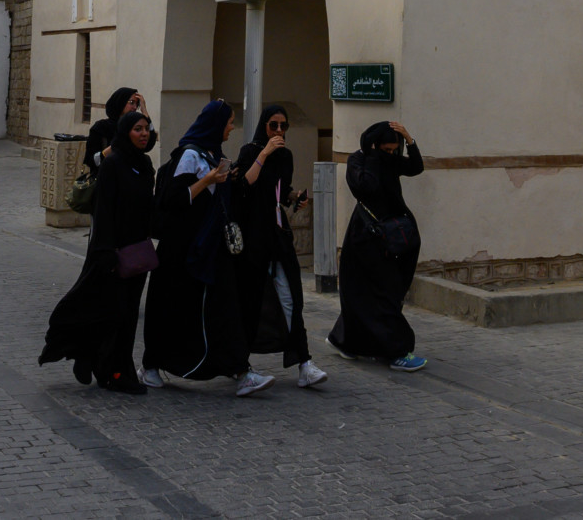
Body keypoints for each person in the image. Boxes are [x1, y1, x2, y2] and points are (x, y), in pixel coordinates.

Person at [141, 100, 272, 397]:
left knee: (224, 308)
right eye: (229, 122)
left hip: (211, 249)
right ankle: (151, 365)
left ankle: (240, 370)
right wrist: (209, 179)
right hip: (183, 250)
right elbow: (175, 199)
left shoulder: (215, 154)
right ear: (215, 124)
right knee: (170, 308)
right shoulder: (190, 155)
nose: (231, 128)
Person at [40, 109, 157, 393]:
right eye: (137, 129)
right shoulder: (113, 164)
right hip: (112, 253)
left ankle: (104, 364)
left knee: (127, 316)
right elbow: (103, 210)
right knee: (108, 311)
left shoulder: (144, 164)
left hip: (136, 253)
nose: (143, 134)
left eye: (146, 129)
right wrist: (106, 251)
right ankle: (111, 370)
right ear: (125, 132)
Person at [234, 105, 325, 388]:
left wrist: (295, 196)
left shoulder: (286, 156)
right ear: (264, 126)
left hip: (277, 234)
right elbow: (244, 187)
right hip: (253, 236)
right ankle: (240, 366)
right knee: (248, 301)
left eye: (283, 126)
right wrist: (264, 154)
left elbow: (280, 190)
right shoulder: (250, 152)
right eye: (273, 125)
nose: (278, 131)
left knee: (291, 297)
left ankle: (304, 363)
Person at [329, 120, 427, 371]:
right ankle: (396, 351)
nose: (391, 155)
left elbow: (416, 167)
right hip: (365, 237)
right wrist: (372, 156)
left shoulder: (389, 159)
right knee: (366, 294)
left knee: (386, 291)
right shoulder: (358, 161)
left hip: (391, 237)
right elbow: (366, 188)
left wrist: (409, 138)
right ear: (374, 145)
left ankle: (347, 342)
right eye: (386, 149)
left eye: (395, 150)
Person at [83, 88, 146, 176]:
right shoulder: (101, 127)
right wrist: (113, 147)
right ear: (120, 102)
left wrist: (145, 112)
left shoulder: (134, 128)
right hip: (107, 181)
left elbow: (149, 144)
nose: (135, 107)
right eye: (131, 102)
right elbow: (91, 161)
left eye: (137, 104)